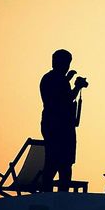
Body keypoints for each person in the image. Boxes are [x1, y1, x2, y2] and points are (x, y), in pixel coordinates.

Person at [40, 49, 88, 192]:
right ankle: (61, 196)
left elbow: (58, 94)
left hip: (51, 125)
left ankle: (47, 193)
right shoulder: (59, 80)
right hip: (61, 128)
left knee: (51, 161)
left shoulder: (49, 78)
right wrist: (77, 87)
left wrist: (68, 79)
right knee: (64, 165)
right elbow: (65, 99)